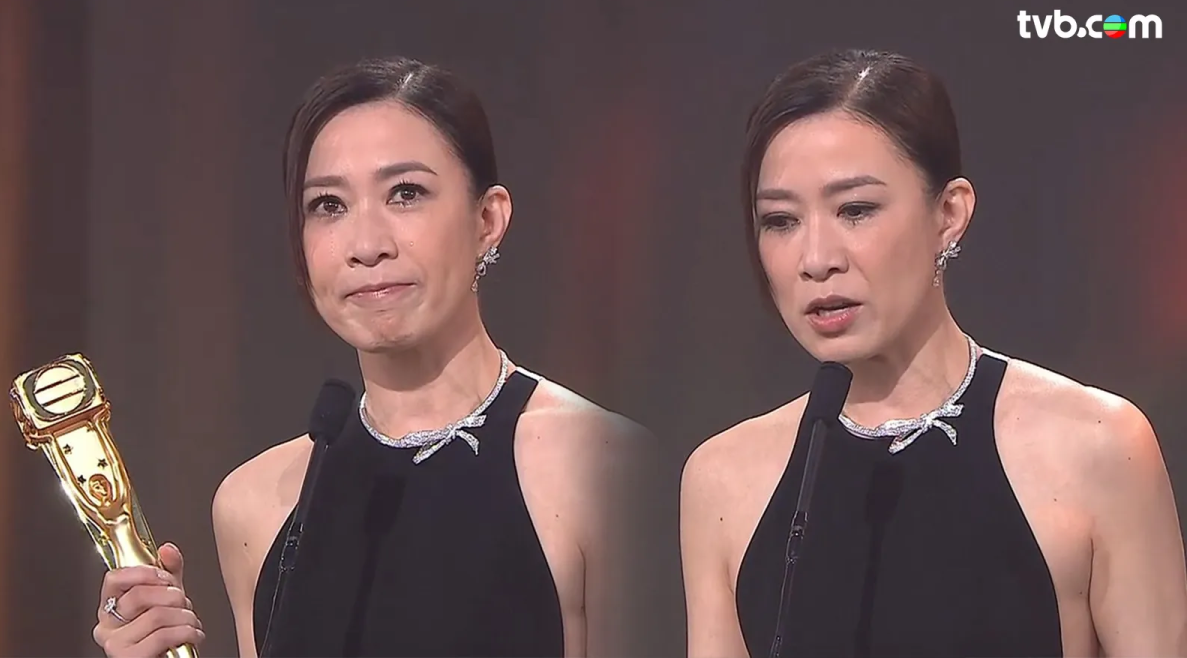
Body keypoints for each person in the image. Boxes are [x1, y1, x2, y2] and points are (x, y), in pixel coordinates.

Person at [91, 56, 655, 658]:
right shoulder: (256, 503)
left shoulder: (602, 468)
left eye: (405, 194)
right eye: (329, 205)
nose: (366, 246)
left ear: (487, 219)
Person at [679, 48, 1187, 657]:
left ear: (949, 214)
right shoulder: (723, 480)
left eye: (855, 210)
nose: (816, 259)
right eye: (781, 221)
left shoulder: (1098, 447)